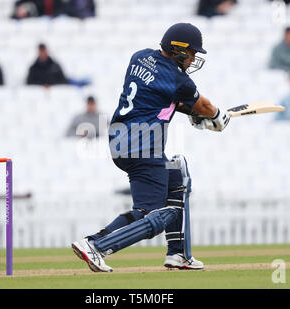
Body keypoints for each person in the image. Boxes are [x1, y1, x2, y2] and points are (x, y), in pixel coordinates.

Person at [71, 23, 230, 272]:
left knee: (177, 175)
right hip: (142, 143)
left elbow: (161, 98)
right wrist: (217, 116)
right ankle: (96, 244)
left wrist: (193, 114)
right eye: (191, 53)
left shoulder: (140, 56)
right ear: (178, 49)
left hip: (121, 137)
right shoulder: (179, 80)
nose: (193, 58)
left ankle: (179, 254)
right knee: (151, 215)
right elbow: (203, 105)